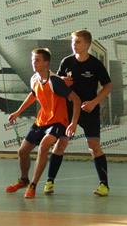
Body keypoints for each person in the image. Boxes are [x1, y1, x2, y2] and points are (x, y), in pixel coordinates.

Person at [6, 48, 79, 200]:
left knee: (44, 146)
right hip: (42, 121)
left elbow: (76, 100)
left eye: (37, 60)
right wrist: (18, 112)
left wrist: (73, 123)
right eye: (33, 60)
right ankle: (24, 180)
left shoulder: (55, 81)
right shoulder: (34, 79)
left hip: (58, 121)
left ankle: (33, 185)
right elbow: (33, 95)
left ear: (46, 63)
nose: (34, 62)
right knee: (22, 151)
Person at [47, 29, 113, 197]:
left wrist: (94, 102)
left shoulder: (95, 64)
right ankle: (49, 181)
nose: (74, 45)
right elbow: (56, 83)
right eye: (73, 42)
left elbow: (108, 86)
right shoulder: (67, 62)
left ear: (87, 44)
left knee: (94, 146)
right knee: (60, 144)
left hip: (89, 110)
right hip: (69, 111)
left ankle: (104, 185)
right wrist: (62, 80)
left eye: (78, 42)